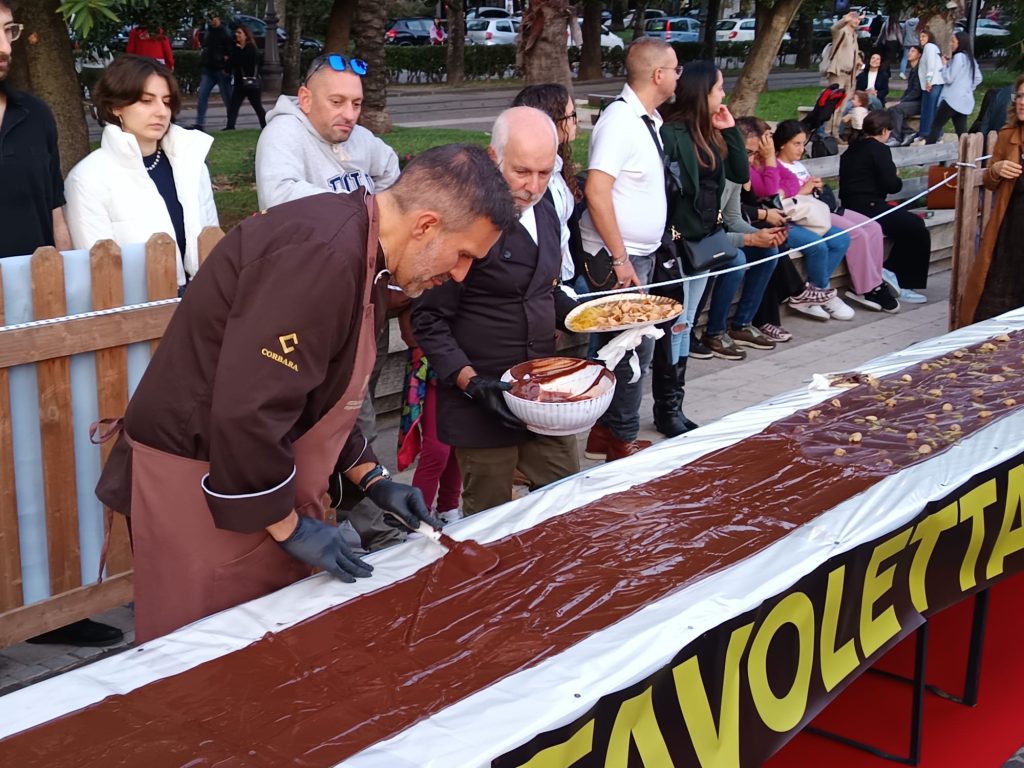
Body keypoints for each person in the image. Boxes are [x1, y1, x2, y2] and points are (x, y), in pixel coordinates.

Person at [93, 143, 516, 643]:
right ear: (425, 225)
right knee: (207, 658)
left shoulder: (366, 251)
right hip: (201, 484)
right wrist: (287, 525)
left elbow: (321, 396)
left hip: (261, 479)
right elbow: (250, 409)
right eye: (464, 255)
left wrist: (374, 478)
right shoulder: (321, 256)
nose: (461, 274)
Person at [0, 0, 123, 649]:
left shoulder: (34, 117)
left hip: (36, 320)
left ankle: (57, 607)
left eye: (7, 30)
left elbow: (54, 213)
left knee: (43, 462)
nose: (3, 44)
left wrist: (72, 298)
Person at [411, 108, 579, 515]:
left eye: (545, 172)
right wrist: (470, 383)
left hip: (543, 396)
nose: (533, 186)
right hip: (482, 400)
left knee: (569, 494)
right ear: (492, 157)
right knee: (489, 516)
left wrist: (588, 313)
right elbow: (427, 318)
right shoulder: (465, 221)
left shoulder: (545, 209)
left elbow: (541, 289)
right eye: (522, 172)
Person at [580, 37, 679, 460]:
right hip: (617, 259)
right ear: (658, 75)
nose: (679, 75)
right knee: (630, 349)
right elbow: (596, 190)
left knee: (622, 347)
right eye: (675, 68)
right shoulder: (620, 122)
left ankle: (604, 434)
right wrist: (620, 259)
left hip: (638, 254)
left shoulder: (645, 119)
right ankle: (621, 440)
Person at [64, 56, 218, 293]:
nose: (160, 112)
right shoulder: (87, 178)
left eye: (166, 102)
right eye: (146, 101)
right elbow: (97, 270)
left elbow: (212, 243)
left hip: (202, 300)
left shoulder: (191, 164)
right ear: (116, 106)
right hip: (135, 311)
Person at [659, 63, 749, 390]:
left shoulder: (709, 131)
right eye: (719, 88)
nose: (724, 94)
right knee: (679, 322)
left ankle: (676, 395)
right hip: (678, 243)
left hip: (705, 240)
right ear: (702, 93)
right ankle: (669, 397)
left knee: (688, 317)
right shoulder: (671, 133)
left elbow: (740, 173)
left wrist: (730, 129)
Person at [773, 120, 894, 313]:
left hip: (816, 212)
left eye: (803, 144)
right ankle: (821, 293)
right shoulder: (776, 166)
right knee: (832, 242)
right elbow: (780, 199)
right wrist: (804, 190)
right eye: (796, 144)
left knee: (864, 231)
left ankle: (870, 280)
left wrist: (814, 187)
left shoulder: (798, 165)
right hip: (796, 219)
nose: (801, 149)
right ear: (782, 143)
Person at [256, 53, 400, 209]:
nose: (350, 115)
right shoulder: (283, 133)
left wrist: (377, 217)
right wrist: (359, 212)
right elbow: (279, 196)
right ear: (306, 100)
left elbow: (390, 170)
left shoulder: (361, 136)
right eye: (337, 102)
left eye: (356, 104)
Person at [839, 110, 931, 305]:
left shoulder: (852, 149)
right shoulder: (878, 149)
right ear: (884, 131)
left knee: (909, 223)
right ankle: (900, 278)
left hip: (851, 206)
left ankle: (892, 272)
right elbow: (892, 185)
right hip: (870, 206)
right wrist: (895, 174)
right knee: (916, 228)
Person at [960, 75, 1024, 325]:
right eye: (1019, 96)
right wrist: (995, 170)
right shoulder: (1008, 135)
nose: (1021, 102)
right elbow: (989, 181)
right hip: (1009, 230)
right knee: (997, 293)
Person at [513, 83, 581, 282]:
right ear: (552, 121)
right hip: (546, 282)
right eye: (571, 116)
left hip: (565, 275)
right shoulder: (531, 182)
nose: (575, 122)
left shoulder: (558, 165)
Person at [926, 31, 982, 144]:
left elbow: (949, 78)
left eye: (953, 41)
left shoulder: (958, 57)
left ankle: (925, 155)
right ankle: (966, 155)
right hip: (964, 100)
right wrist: (968, 87)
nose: (950, 44)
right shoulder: (971, 59)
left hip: (951, 99)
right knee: (961, 131)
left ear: (960, 43)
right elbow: (978, 78)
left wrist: (945, 65)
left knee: (936, 126)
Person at [192, 13, 233, 132]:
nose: (212, 21)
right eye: (210, 19)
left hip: (220, 69)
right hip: (209, 68)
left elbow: (230, 50)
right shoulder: (208, 31)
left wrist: (227, 67)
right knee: (202, 95)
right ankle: (199, 123)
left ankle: (231, 122)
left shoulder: (225, 32)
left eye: (214, 18)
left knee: (227, 98)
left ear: (219, 19)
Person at [825, 11, 862, 134]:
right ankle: (826, 132)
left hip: (849, 75)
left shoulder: (854, 35)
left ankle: (835, 133)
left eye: (858, 19)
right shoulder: (842, 31)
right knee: (833, 105)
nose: (857, 21)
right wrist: (844, 20)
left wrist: (858, 62)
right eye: (854, 18)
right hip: (838, 73)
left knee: (842, 107)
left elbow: (853, 54)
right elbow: (834, 28)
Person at [224, 24, 266, 130]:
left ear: (246, 35)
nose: (237, 35)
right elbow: (231, 64)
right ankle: (230, 126)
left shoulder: (250, 48)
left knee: (257, 106)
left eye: (239, 33)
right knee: (234, 105)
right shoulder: (236, 48)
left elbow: (242, 62)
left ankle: (265, 125)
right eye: (236, 33)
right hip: (240, 83)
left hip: (251, 83)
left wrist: (236, 54)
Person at [887, 45, 923, 145]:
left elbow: (916, 91)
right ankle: (909, 132)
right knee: (891, 110)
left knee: (896, 109)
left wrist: (901, 102)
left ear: (919, 55)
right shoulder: (912, 70)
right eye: (909, 51)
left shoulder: (920, 70)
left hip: (918, 102)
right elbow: (909, 90)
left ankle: (896, 138)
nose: (909, 53)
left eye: (913, 51)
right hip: (911, 101)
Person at [917, 29, 945, 141]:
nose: (921, 39)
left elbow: (931, 65)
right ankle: (933, 133)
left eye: (923, 36)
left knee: (929, 109)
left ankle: (927, 133)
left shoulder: (929, 47)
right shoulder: (932, 48)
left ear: (929, 37)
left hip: (933, 83)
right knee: (931, 108)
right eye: (920, 37)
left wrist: (929, 80)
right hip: (933, 83)